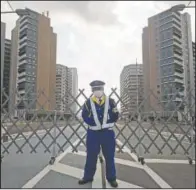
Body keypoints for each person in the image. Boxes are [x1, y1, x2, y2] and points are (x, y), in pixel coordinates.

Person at [78, 80, 119, 188]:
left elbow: (116, 114)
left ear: (102, 89)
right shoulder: (88, 102)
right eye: (95, 89)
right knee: (91, 156)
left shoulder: (111, 101)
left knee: (109, 156)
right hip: (93, 134)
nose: (97, 91)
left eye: (99, 89)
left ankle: (112, 178)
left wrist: (109, 122)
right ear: (92, 90)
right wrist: (92, 122)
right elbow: (84, 115)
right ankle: (87, 177)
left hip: (107, 133)